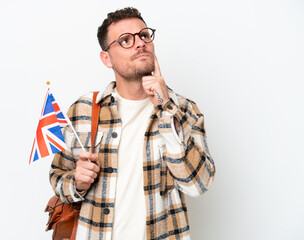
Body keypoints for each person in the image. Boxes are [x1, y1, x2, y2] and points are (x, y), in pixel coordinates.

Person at [50, 7, 215, 240]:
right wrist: (77, 182)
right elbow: (57, 176)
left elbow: (199, 184)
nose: (140, 44)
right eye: (125, 40)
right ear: (106, 58)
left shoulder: (184, 110)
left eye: (144, 35)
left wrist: (166, 110)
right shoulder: (83, 110)